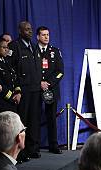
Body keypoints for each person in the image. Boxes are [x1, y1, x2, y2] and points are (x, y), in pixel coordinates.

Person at [10, 21, 43, 161]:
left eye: (30, 29)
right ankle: (21, 152)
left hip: (35, 89)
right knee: (22, 120)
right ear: (20, 31)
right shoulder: (15, 46)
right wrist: (17, 88)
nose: (29, 32)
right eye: (27, 30)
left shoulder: (34, 47)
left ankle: (33, 148)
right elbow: (12, 70)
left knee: (34, 120)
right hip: (23, 90)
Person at [36, 26, 64, 154]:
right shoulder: (33, 50)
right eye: (43, 35)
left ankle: (53, 145)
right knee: (34, 118)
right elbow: (29, 70)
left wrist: (48, 83)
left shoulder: (55, 51)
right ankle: (34, 146)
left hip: (50, 89)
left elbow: (60, 72)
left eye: (47, 34)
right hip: (36, 89)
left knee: (51, 118)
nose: (46, 37)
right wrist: (39, 83)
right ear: (38, 37)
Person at [0, 37, 21, 117]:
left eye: (7, 47)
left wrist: (18, 93)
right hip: (2, 103)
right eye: (4, 47)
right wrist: (12, 96)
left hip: (12, 102)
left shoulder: (7, 61)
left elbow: (14, 78)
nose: (6, 50)